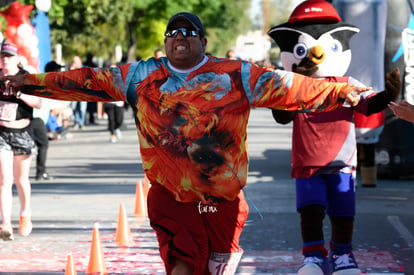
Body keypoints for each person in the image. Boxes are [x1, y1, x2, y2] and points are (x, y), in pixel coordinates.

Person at [0, 12, 368, 274]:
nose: (179, 37)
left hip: (222, 202)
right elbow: (86, 81)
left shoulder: (236, 74)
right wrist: (27, 82)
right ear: (165, 42)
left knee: (214, 269)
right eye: (172, 32)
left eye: (188, 31)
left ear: (202, 41)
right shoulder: (141, 75)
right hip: (169, 197)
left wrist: (344, 91)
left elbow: (294, 88)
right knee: (181, 266)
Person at [267, 1, 401, 274]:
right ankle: (314, 257)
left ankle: (342, 255)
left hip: (342, 162)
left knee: (342, 212)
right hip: (307, 163)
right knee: (311, 211)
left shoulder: (345, 85)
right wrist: (298, 79)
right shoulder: (293, 87)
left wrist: (388, 95)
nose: (315, 55)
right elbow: (281, 115)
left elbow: (368, 102)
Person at [0, 40, 41, 240]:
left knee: (21, 180)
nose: (4, 60)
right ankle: (6, 223)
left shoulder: (26, 78)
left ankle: (25, 214)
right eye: (2, 56)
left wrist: (20, 93)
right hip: (1, 133)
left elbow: (38, 103)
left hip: (22, 132)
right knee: (4, 180)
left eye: (8, 56)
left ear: (16, 59)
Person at [31, 61, 65, 180]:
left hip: (35, 119)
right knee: (43, 144)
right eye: (58, 71)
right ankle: (41, 172)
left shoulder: (44, 82)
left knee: (35, 145)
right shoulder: (47, 84)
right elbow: (53, 106)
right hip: (36, 118)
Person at [69, 56, 87, 129]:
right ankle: (77, 122)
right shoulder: (72, 69)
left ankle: (81, 122)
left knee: (82, 108)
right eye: (74, 62)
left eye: (76, 62)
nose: (75, 63)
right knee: (74, 107)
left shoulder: (84, 69)